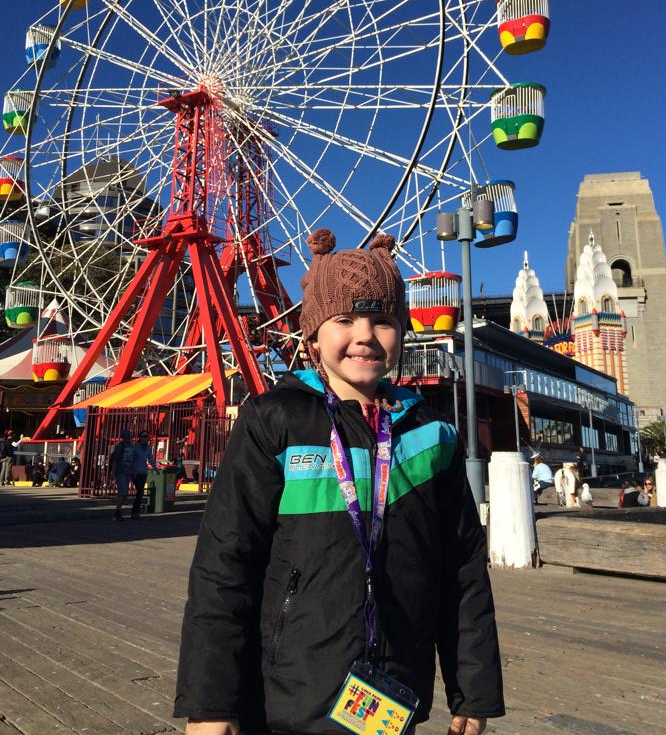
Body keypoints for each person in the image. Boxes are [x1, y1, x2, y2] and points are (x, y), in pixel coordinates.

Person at [175, 230, 504, 735]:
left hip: (392, 694)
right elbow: (225, 564)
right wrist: (211, 705)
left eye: (384, 321)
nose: (365, 334)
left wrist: (473, 691)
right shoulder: (274, 421)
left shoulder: (431, 435)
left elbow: (461, 572)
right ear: (312, 336)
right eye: (344, 320)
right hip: (288, 690)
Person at [109, 428, 136, 521]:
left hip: (128, 472)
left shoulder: (132, 447)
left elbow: (133, 460)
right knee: (122, 492)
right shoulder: (120, 447)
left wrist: (134, 470)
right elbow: (115, 461)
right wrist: (113, 473)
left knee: (124, 493)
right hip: (121, 472)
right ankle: (117, 512)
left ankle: (118, 511)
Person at [130, 430, 156, 518]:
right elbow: (132, 459)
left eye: (147, 437)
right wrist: (133, 469)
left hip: (144, 472)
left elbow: (150, 459)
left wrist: (155, 468)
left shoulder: (148, 448)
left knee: (140, 493)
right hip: (136, 473)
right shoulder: (135, 447)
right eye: (144, 436)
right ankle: (135, 511)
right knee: (140, 491)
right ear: (140, 437)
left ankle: (135, 512)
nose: (145, 438)